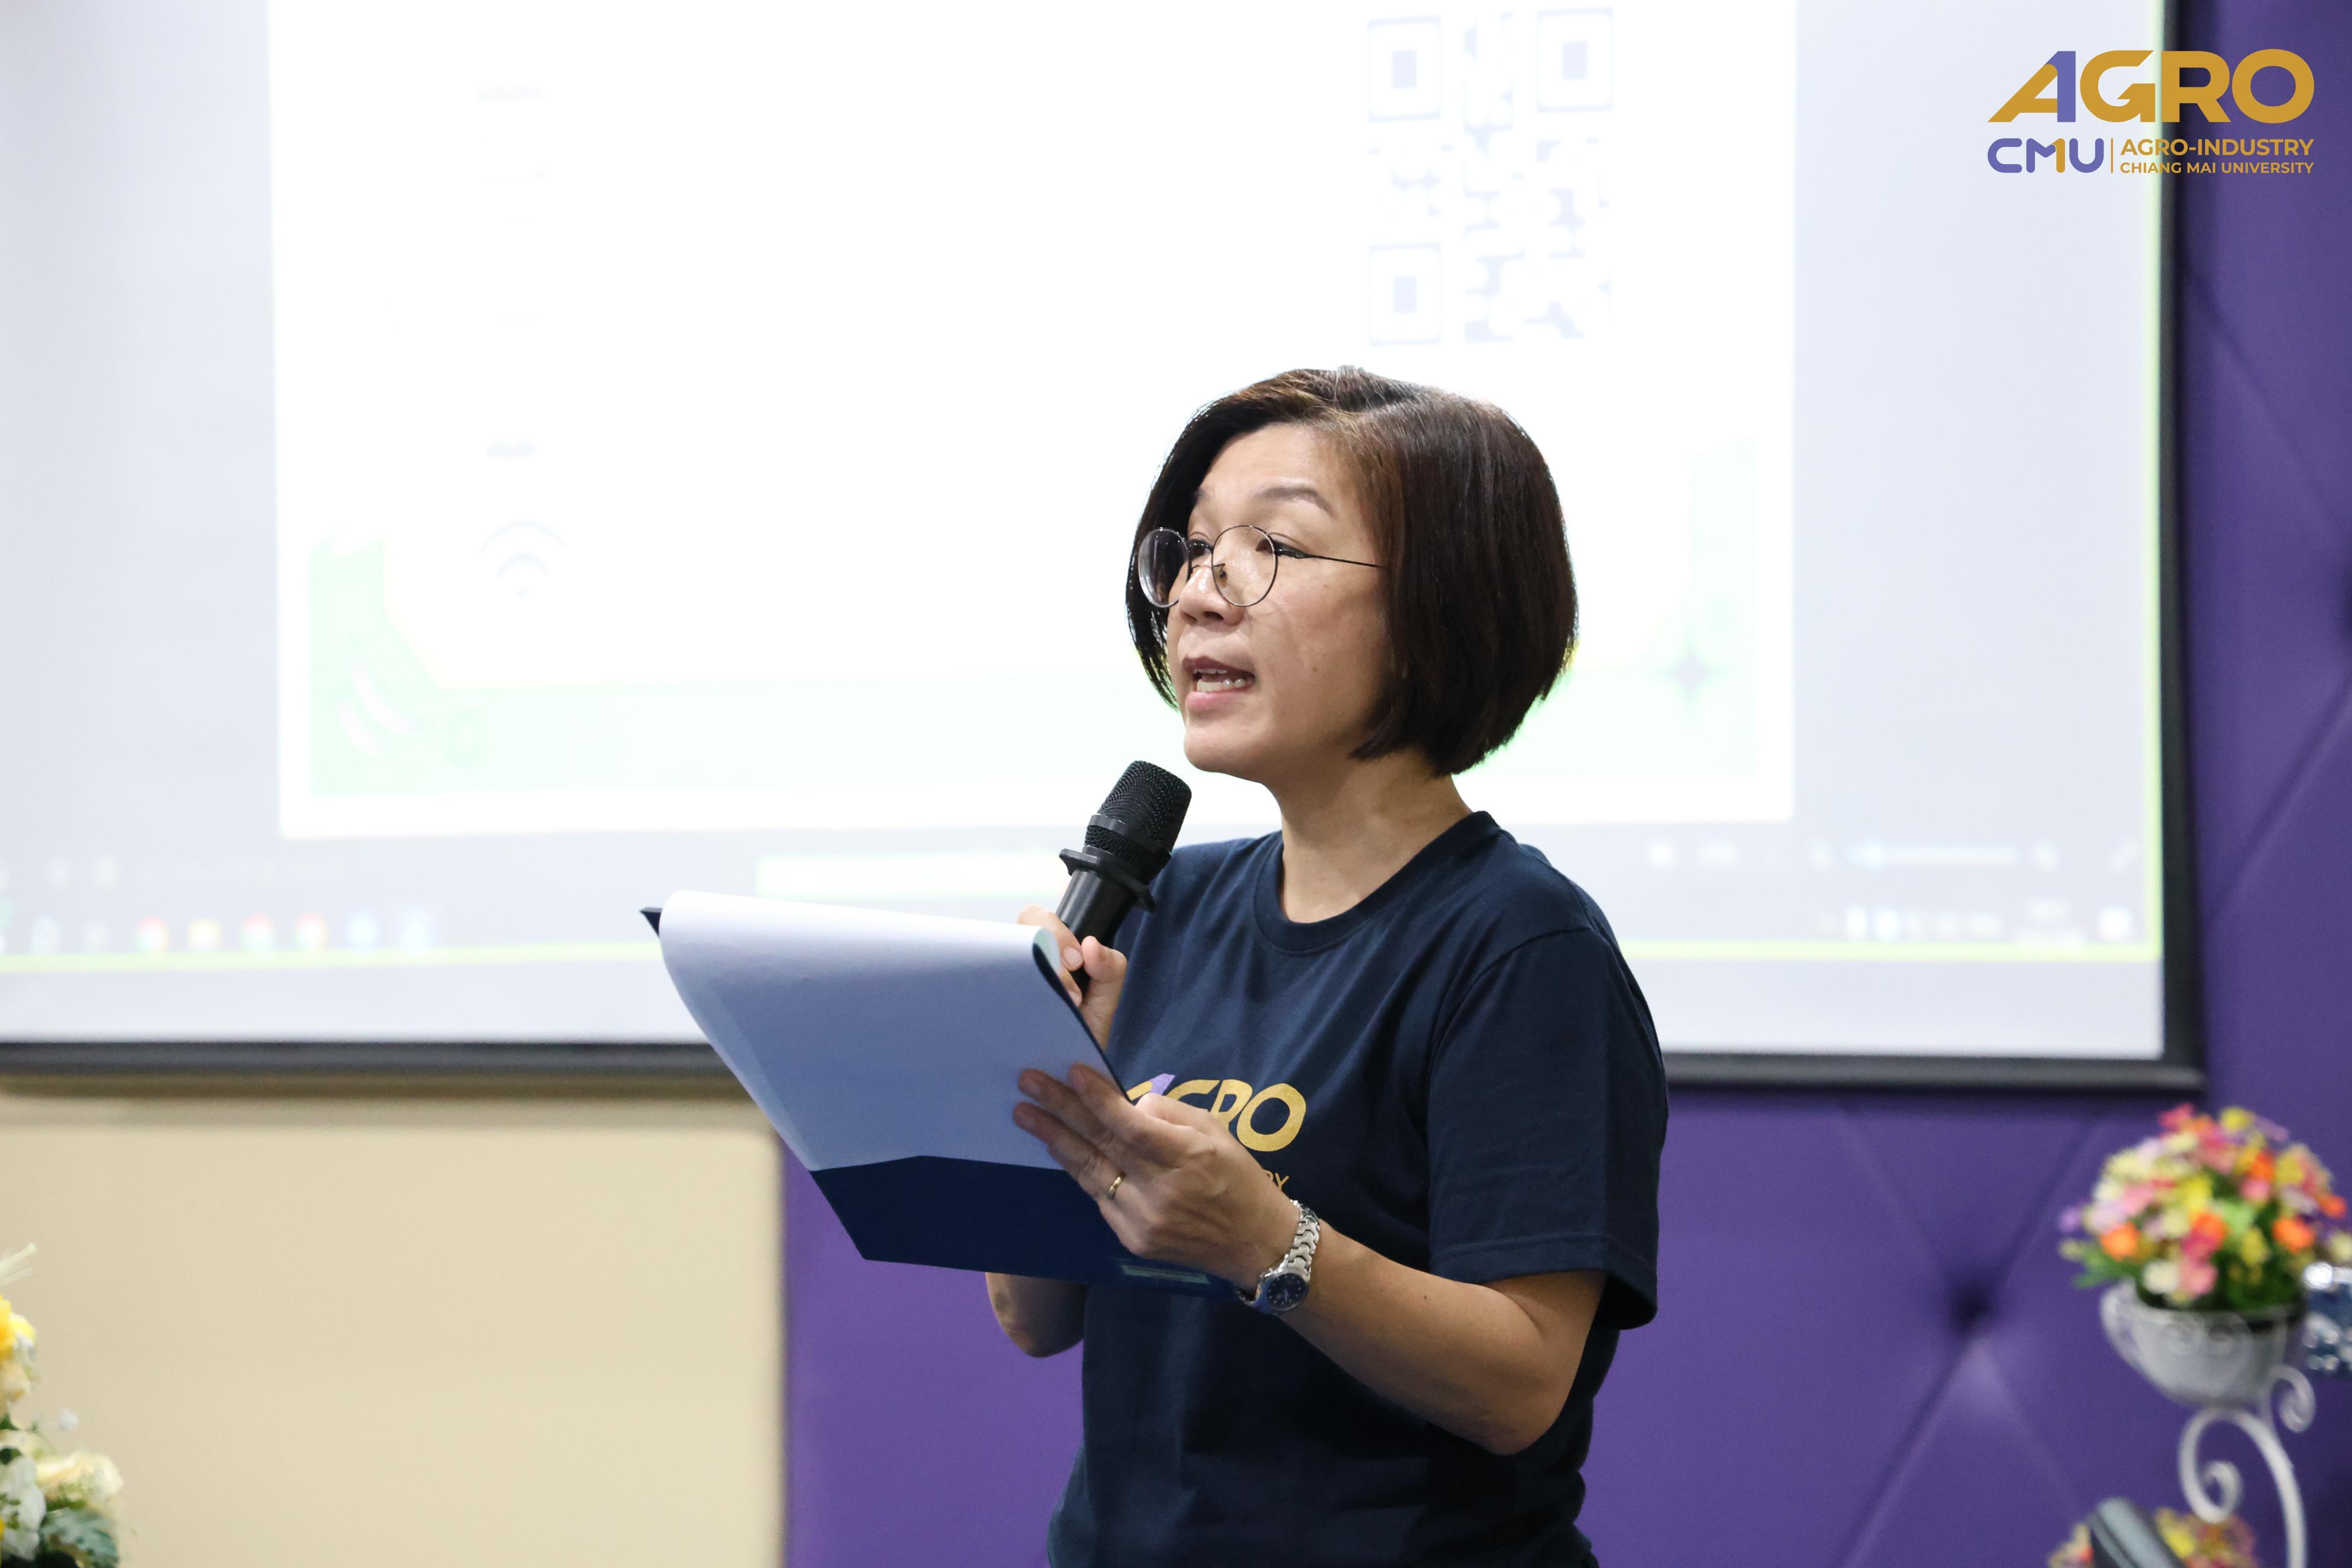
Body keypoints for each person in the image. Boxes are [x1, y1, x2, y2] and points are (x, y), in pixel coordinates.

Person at [986, 367, 1668, 1567]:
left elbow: (1522, 1384)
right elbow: (1034, 1317)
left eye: (1275, 549)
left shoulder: (1521, 944)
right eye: (1193, 550)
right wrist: (1045, 1079)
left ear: (1438, 609)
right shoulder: (1165, 907)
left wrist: (1269, 1240)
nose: (1199, 593)